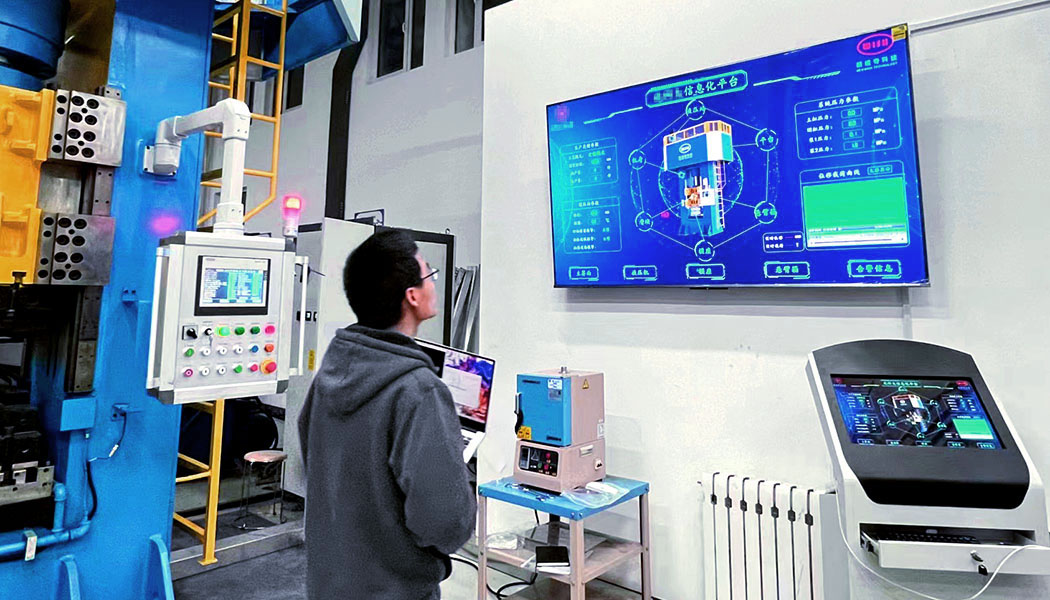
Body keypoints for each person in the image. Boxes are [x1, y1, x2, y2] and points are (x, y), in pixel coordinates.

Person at [298, 229, 476, 600]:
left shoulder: (330, 372)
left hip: (328, 583)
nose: (433, 283)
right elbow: (445, 522)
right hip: (395, 589)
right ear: (412, 296)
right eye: (429, 274)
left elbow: (313, 465)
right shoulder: (419, 390)